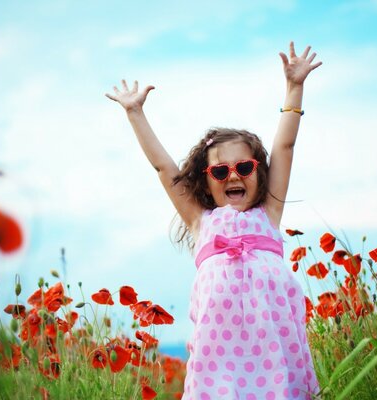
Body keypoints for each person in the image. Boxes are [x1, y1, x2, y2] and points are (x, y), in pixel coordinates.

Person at [106, 41, 321, 400]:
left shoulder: (269, 213)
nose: (233, 176)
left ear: (259, 171)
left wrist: (294, 88)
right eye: (220, 170)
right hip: (219, 367)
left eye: (244, 167)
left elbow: (284, 147)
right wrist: (135, 113)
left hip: (274, 359)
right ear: (206, 179)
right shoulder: (200, 221)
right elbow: (164, 167)